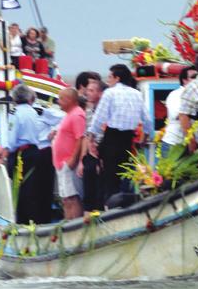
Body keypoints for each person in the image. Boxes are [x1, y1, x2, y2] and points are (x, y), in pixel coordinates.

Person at [89, 64, 151, 205]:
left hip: (112, 138)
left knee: (109, 178)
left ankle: (110, 208)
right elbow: (147, 120)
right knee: (127, 176)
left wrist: (91, 137)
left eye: (110, 77)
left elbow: (99, 117)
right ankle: (126, 207)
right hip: (128, 139)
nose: (108, 80)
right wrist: (144, 138)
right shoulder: (137, 93)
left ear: (117, 78)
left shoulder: (110, 93)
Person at [2, 84, 41, 224]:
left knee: (19, 189)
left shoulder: (15, 114)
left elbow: (11, 141)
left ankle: (21, 220)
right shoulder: (33, 111)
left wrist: (3, 155)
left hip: (21, 155)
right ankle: (33, 219)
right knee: (32, 187)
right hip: (34, 152)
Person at [52, 88, 86, 219]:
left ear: (70, 100)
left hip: (68, 163)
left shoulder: (77, 115)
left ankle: (75, 226)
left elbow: (80, 138)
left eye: (61, 99)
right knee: (66, 199)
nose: (58, 102)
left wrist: (73, 158)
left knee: (73, 197)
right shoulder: (69, 115)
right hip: (62, 164)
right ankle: (68, 224)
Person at [78, 78, 107, 212]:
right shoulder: (88, 111)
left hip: (101, 154)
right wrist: (82, 161)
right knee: (88, 194)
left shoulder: (106, 112)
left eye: (91, 90)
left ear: (100, 93)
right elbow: (86, 136)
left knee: (100, 194)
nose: (87, 93)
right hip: (89, 156)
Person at [161, 65, 197, 154]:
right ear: (184, 80)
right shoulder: (176, 95)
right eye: (194, 77)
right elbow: (182, 116)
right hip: (174, 144)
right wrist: (191, 142)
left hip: (189, 144)